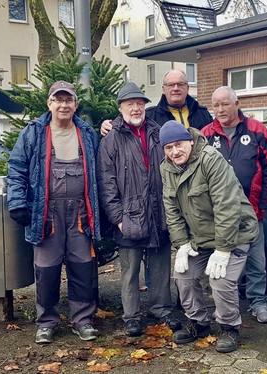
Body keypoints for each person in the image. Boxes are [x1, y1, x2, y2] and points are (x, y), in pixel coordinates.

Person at [7, 80, 102, 344]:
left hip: (80, 215)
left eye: (68, 100)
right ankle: (46, 322)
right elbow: (16, 169)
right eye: (58, 100)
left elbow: (100, 173)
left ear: (75, 104)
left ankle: (83, 320)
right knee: (46, 271)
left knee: (83, 268)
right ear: (49, 104)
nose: (63, 105)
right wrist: (17, 204)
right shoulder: (34, 133)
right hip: (46, 214)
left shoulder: (87, 133)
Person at [159, 120, 259, 353]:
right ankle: (199, 323)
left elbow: (227, 205)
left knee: (220, 280)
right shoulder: (167, 167)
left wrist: (223, 250)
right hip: (200, 238)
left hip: (235, 233)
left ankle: (228, 327)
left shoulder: (210, 159)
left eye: (179, 144)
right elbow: (171, 208)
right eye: (169, 147)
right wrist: (182, 244)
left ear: (190, 142)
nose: (175, 151)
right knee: (183, 275)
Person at [96, 82, 182, 337]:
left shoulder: (158, 132)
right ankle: (131, 316)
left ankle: (162, 309)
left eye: (140, 103)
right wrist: (117, 218)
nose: (136, 108)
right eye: (130, 104)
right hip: (128, 215)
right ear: (120, 108)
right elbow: (106, 182)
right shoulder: (111, 139)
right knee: (130, 271)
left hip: (158, 212)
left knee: (160, 266)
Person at [200, 86, 267, 324]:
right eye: (216, 105)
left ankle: (258, 303)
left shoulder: (257, 130)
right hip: (219, 216)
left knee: (256, 262)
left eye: (225, 104)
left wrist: (266, 203)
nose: (220, 109)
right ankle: (226, 306)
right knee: (223, 265)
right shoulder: (205, 134)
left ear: (237, 103)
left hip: (252, 212)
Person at [100, 69, 213, 136]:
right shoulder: (150, 116)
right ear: (164, 89)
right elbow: (129, 119)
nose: (176, 88)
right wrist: (108, 125)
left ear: (187, 88)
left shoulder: (202, 113)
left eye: (180, 84)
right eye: (171, 85)